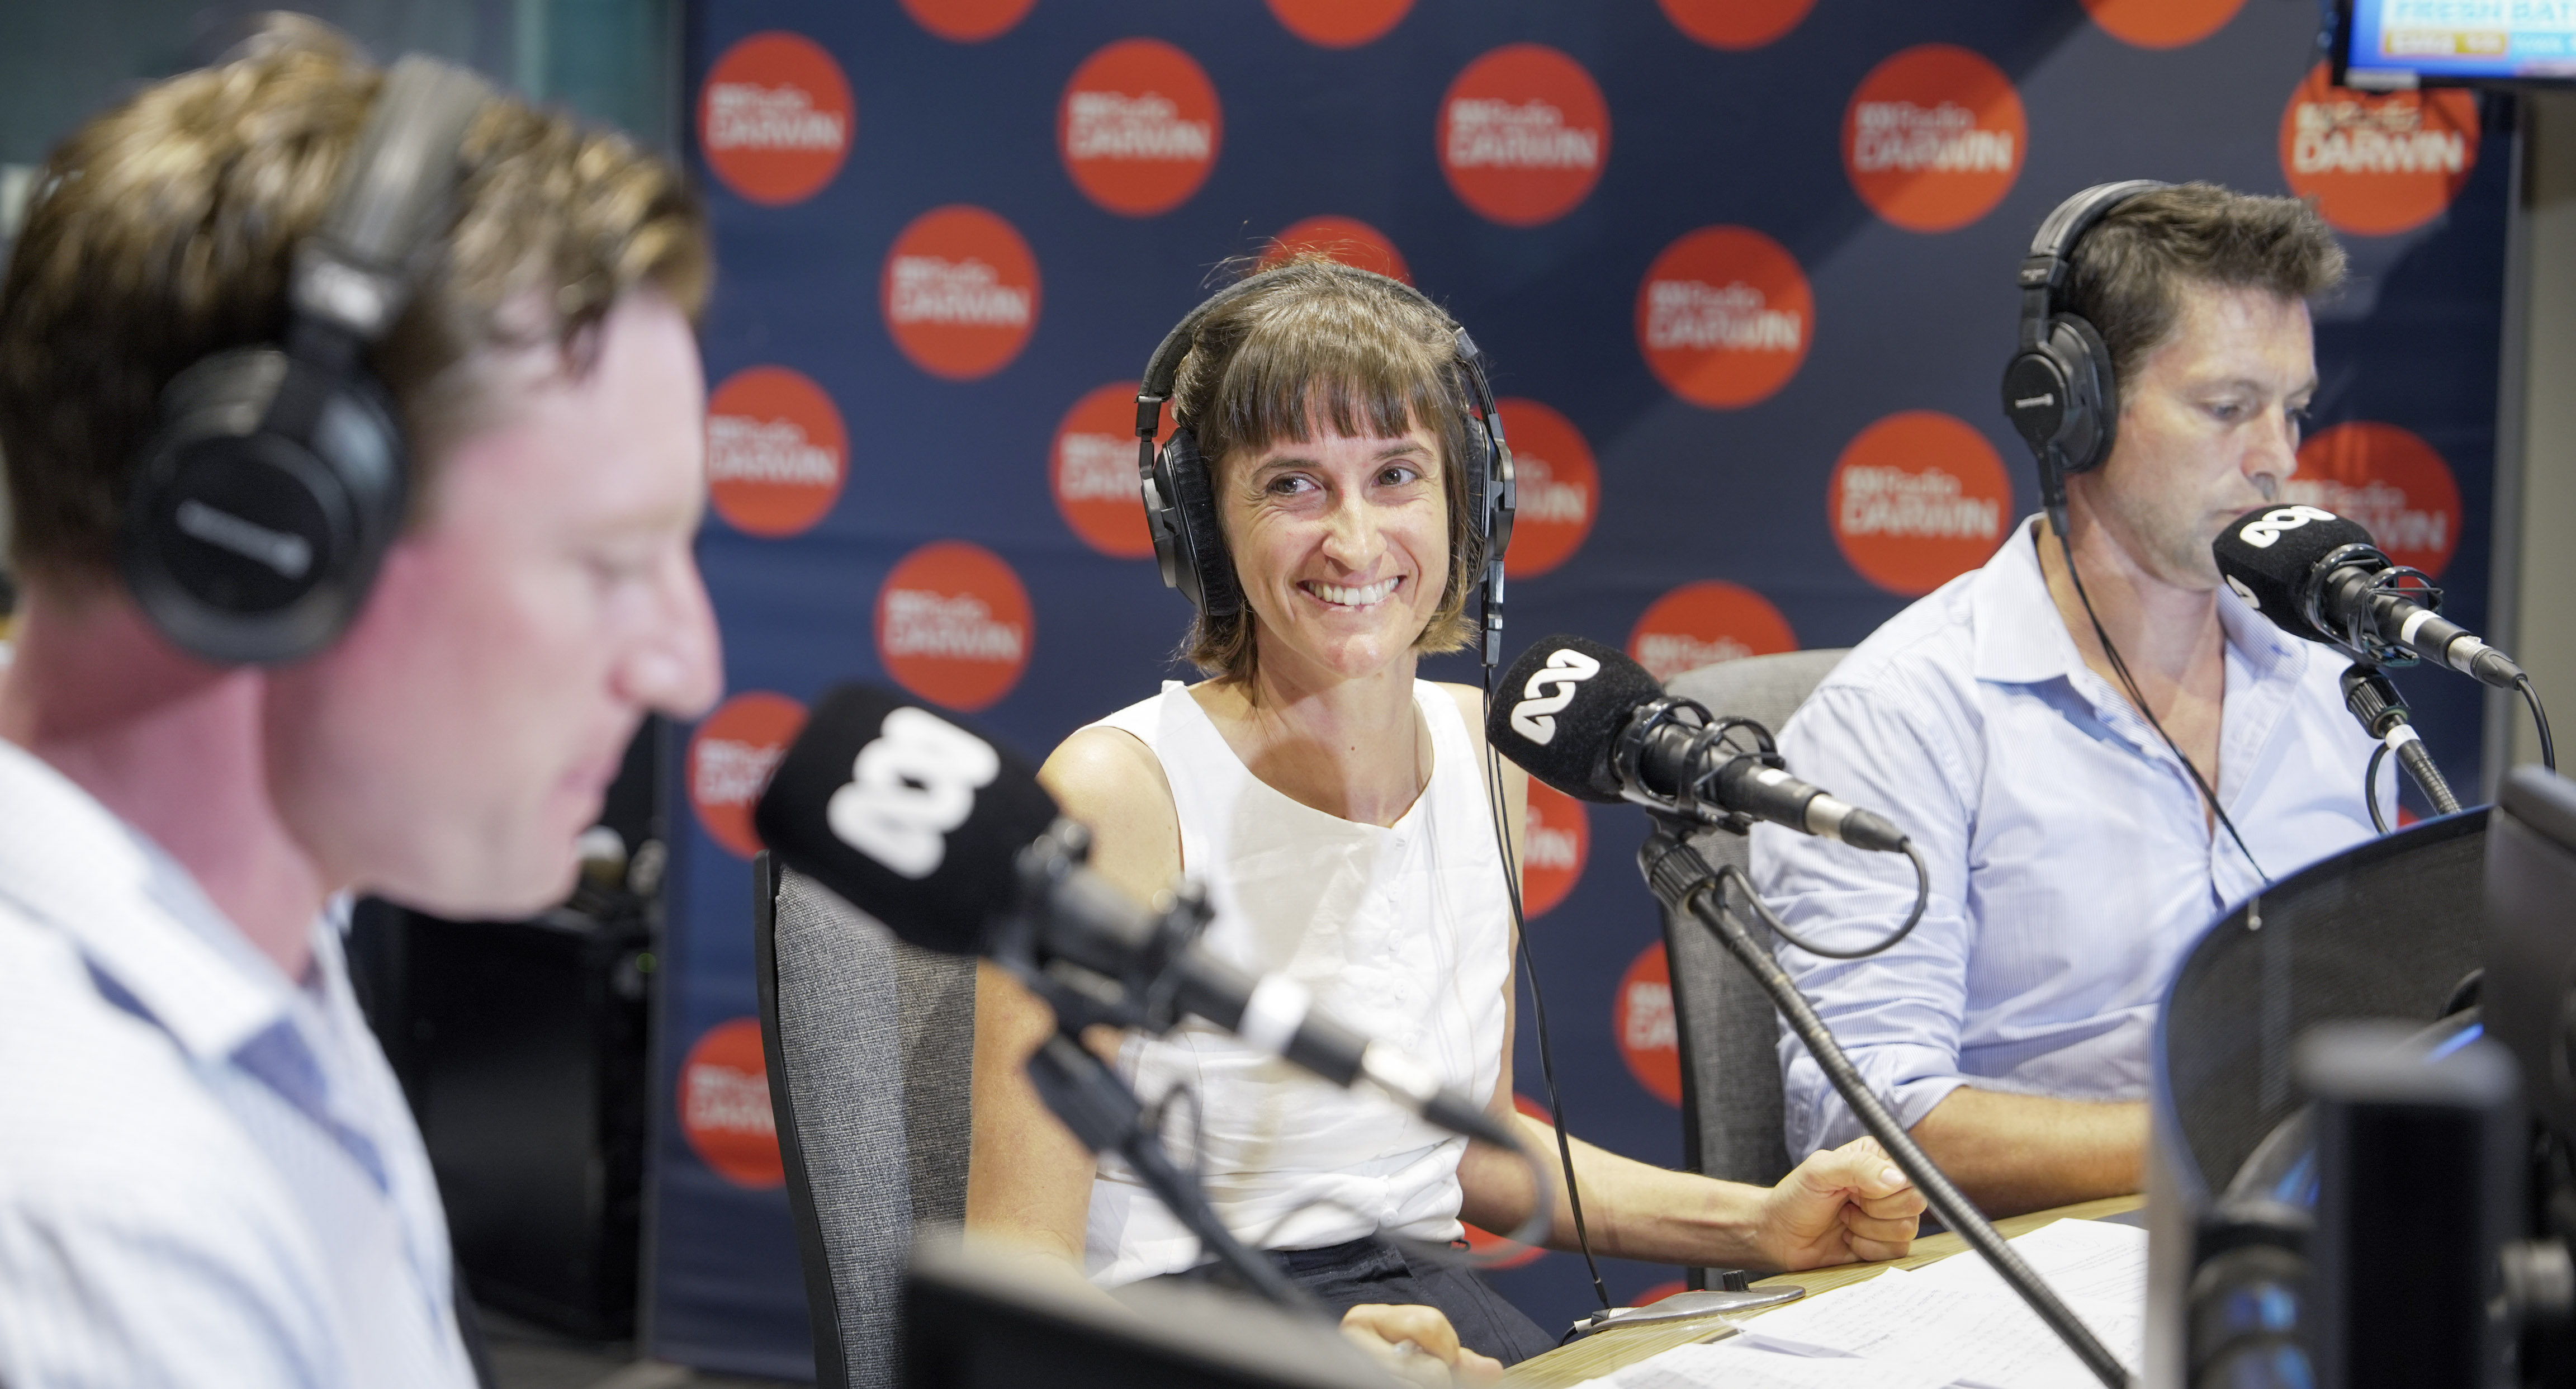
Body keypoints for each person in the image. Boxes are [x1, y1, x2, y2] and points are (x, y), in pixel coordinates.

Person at [965, 258, 1925, 1369]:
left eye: (1395, 475)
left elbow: (1471, 1149)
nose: (1358, 541)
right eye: (1292, 484)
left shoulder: (1484, 749)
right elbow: (1017, 1260)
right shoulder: (1119, 791)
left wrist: (1758, 1225)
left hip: (1427, 1312)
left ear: (1472, 499)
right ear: (1199, 521)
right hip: (1181, 1335)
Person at [0, 23, 722, 1383]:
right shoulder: (103, 1212)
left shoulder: (248, 948)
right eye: (607, 562)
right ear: (267, 535)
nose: (685, 664)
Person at [1751, 183, 2383, 1218]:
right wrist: (2225, 1133)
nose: (2279, 455)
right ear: (2072, 408)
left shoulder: (2330, 679)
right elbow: (1868, 1117)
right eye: (2228, 409)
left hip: (2304, 1233)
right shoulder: (1901, 714)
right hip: (2025, 1274)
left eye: (2294, 409)